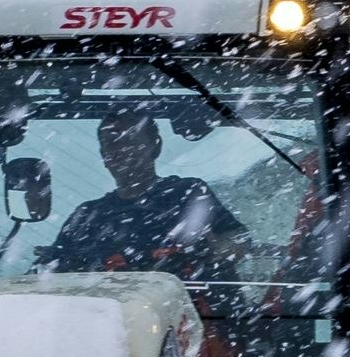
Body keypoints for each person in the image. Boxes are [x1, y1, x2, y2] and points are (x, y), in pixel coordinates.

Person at [45, 106, 248, 280]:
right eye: (112, 142)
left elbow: (238, 243)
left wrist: (220, 247)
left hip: (200, 316)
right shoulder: (86, 217)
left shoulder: (188, 194)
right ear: (104, 156)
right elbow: (51, 276)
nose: (121, 150)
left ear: (155, 146)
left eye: (130, 140)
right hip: (108, 320)